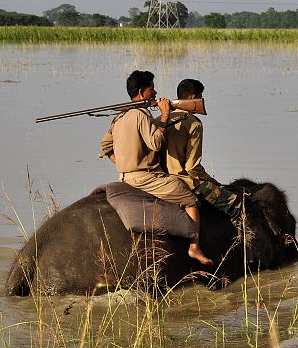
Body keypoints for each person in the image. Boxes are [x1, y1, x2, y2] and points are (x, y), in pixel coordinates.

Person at [99, 70, 212, 266]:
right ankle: (194, 246)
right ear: (142, 92)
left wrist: (126, 163)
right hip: (146, 178)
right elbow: (156, 143)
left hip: (124, 177)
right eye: (152, 89)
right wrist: (166, 115)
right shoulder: (140, 114)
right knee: (190, 199)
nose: (156, 92)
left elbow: (105, 147)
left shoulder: (119, 117)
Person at [165, 79, 245, 224]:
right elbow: (192, 168)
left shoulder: (161, 120)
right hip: (184, 180)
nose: (201, 100)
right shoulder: (193, 123)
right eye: (200, 96)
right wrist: (210, 179)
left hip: (162, 180)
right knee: (236, 204)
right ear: (192, 96)